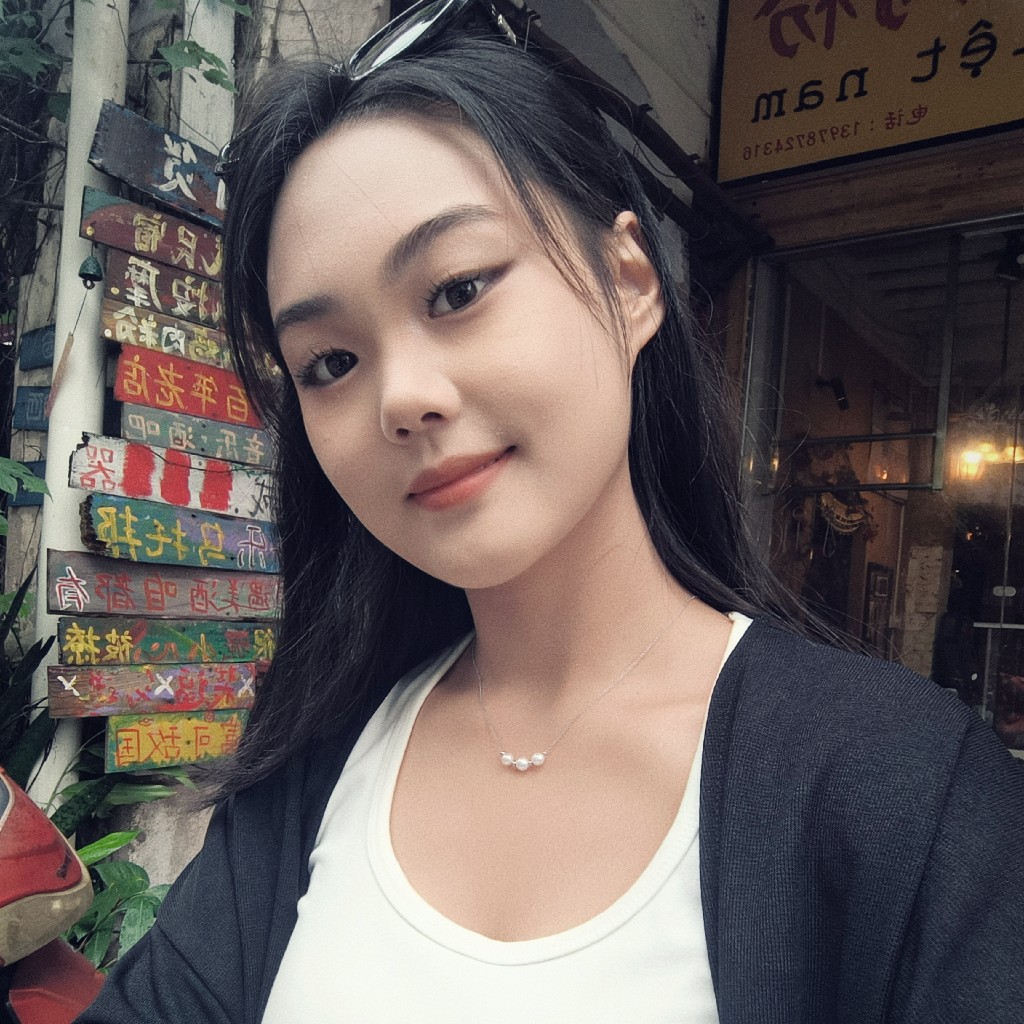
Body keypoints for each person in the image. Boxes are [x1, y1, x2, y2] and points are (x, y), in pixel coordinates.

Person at [77, 2, 1024, 1021]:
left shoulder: (900, 793)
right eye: (331, 362)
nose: (402, 398)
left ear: (630, 281)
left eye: (457, 290)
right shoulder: (317, 764)